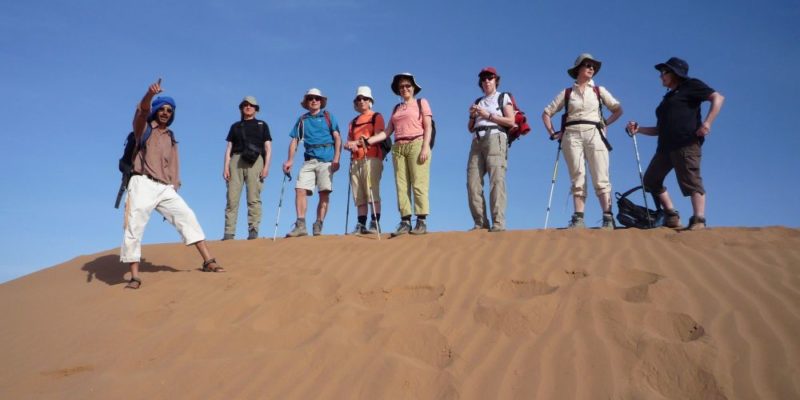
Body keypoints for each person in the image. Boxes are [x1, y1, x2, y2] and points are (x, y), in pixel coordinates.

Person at [120, 79, 224, 290]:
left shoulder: (171, 138)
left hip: (164, 187)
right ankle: (134, 276)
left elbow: (174, 165)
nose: (165, 113)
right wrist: (149, 94)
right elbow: (142, 111)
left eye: (169, 110)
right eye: (162, 109)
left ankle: (208, 260)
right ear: (156, 110)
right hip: (142, 182)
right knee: (134, 226)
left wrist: (174, 185)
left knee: (187, 217)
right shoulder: (143, 129)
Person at [626, 57, 725, 230]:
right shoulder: (668, 98)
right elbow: (660, 129)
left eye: (664, 72)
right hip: (665, 147)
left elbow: (718, 98)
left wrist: (707, 123)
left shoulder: (691, 85)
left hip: (686, 142)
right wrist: (639, 129)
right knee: (651, 180)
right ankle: (671, 215)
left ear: (676, 73)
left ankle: (699, 220)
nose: (661, 76)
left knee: (691, 180)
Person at [542, 53, 623, 229]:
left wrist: (604, 123)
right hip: (571, 135)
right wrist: (553, 133)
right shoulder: (567, 93)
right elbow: (546, 113)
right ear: (578, 69)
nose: (591, 68)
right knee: (577, 176)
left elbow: (618, 109)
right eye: (587, 65)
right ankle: (578, 219)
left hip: (595, 133)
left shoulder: (599, 91)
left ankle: (608, 218)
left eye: (593, 66)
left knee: (601, 175)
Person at [364, 73, 433, 236]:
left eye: (408, 85)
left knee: (419, 183)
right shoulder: (396, 108)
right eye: (401, 86)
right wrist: (369, 141)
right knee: (401, 186)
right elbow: (387, 131)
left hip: (416, 143)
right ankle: (405, 221)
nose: (404, 89)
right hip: (398, 147)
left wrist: (425, 147)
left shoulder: (421, 102)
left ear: (414, 88)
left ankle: (421, 221)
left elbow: (428, 126)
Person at [282, 88, 341, 237]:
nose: (314, 100)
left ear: (321, 101)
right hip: (309, 160)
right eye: (310, 98)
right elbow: (294, 140)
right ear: (307, 102)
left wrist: (336, 159)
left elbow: (337, 138)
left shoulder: (328, 116)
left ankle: (319, 223)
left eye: (317, 98)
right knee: (300, 189)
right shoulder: (302, 120)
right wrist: (290, 160)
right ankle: (300, 225)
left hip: (326, 160)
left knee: (324, 193)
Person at [466, 67, 516, 232]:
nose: (486, 81)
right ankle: (480, 222)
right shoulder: (478, 101)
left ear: (496, 80)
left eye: (490, 78)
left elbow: (511, 121)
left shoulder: (503, 97)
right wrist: (473, 115)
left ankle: (498, 222)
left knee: (496, 180)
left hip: (495, 137)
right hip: (477, 140)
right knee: (472, 182)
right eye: (483, 79)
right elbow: (470, 128)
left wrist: (487, 115)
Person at [222, 96, 272, 240]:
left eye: (251, 105)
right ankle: (229, 233)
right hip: (236, 160)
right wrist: (226, 167)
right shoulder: (235, 126)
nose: (248, 107)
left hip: (256, 161)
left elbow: (268, 148)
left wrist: (266, 167)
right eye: (245, 105)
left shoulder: (262, 125)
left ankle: (253, 230)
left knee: (253, 198)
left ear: (256, 109)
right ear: (241, 108)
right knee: (232, 198)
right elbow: (229, 148)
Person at [343, 86, 386, 234]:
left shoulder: (376, 117)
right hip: (356, 160)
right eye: (359, 99)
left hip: (372, 158)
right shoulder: (353, 122)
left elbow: (378, 136)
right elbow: (348, 141)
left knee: (371, 190)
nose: (361, 101)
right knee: (359, 194)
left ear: (370, 101)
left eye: (365, 99)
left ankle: (375, 222)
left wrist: (358, 142)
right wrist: (349, 145)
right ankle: (361, 224)